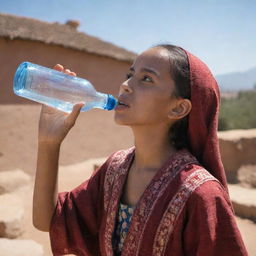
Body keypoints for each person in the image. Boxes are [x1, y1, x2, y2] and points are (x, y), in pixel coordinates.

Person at [32, 44, 248, 256]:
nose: (125, 85)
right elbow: (48, 221)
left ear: (178, 107)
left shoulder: (201, 194)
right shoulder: (114, 170)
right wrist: (49, 143)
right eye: (130, 75)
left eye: (146, 78)